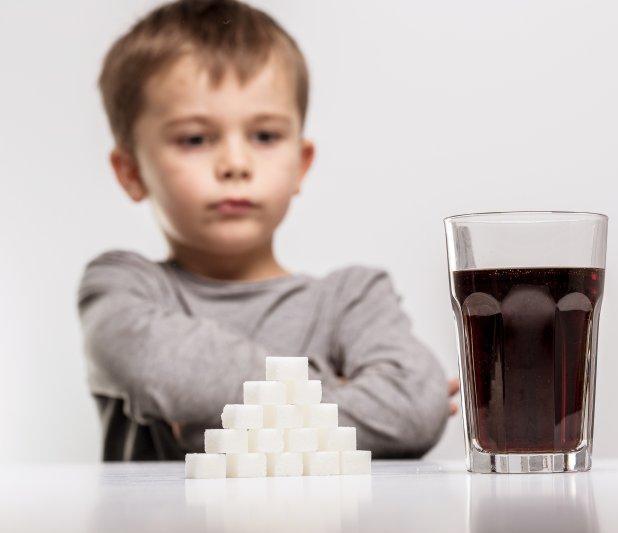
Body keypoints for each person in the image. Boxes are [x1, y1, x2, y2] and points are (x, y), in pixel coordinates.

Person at [78, 0, 456, 461]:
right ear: (131, 172)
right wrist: (334, 388)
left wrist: (215, 421)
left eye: (265, 136)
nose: (235, 164)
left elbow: (412, 412)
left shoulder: (352, 297)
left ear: (301, 164)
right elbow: (153, 367)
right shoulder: (121, 285)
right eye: (195, 139)